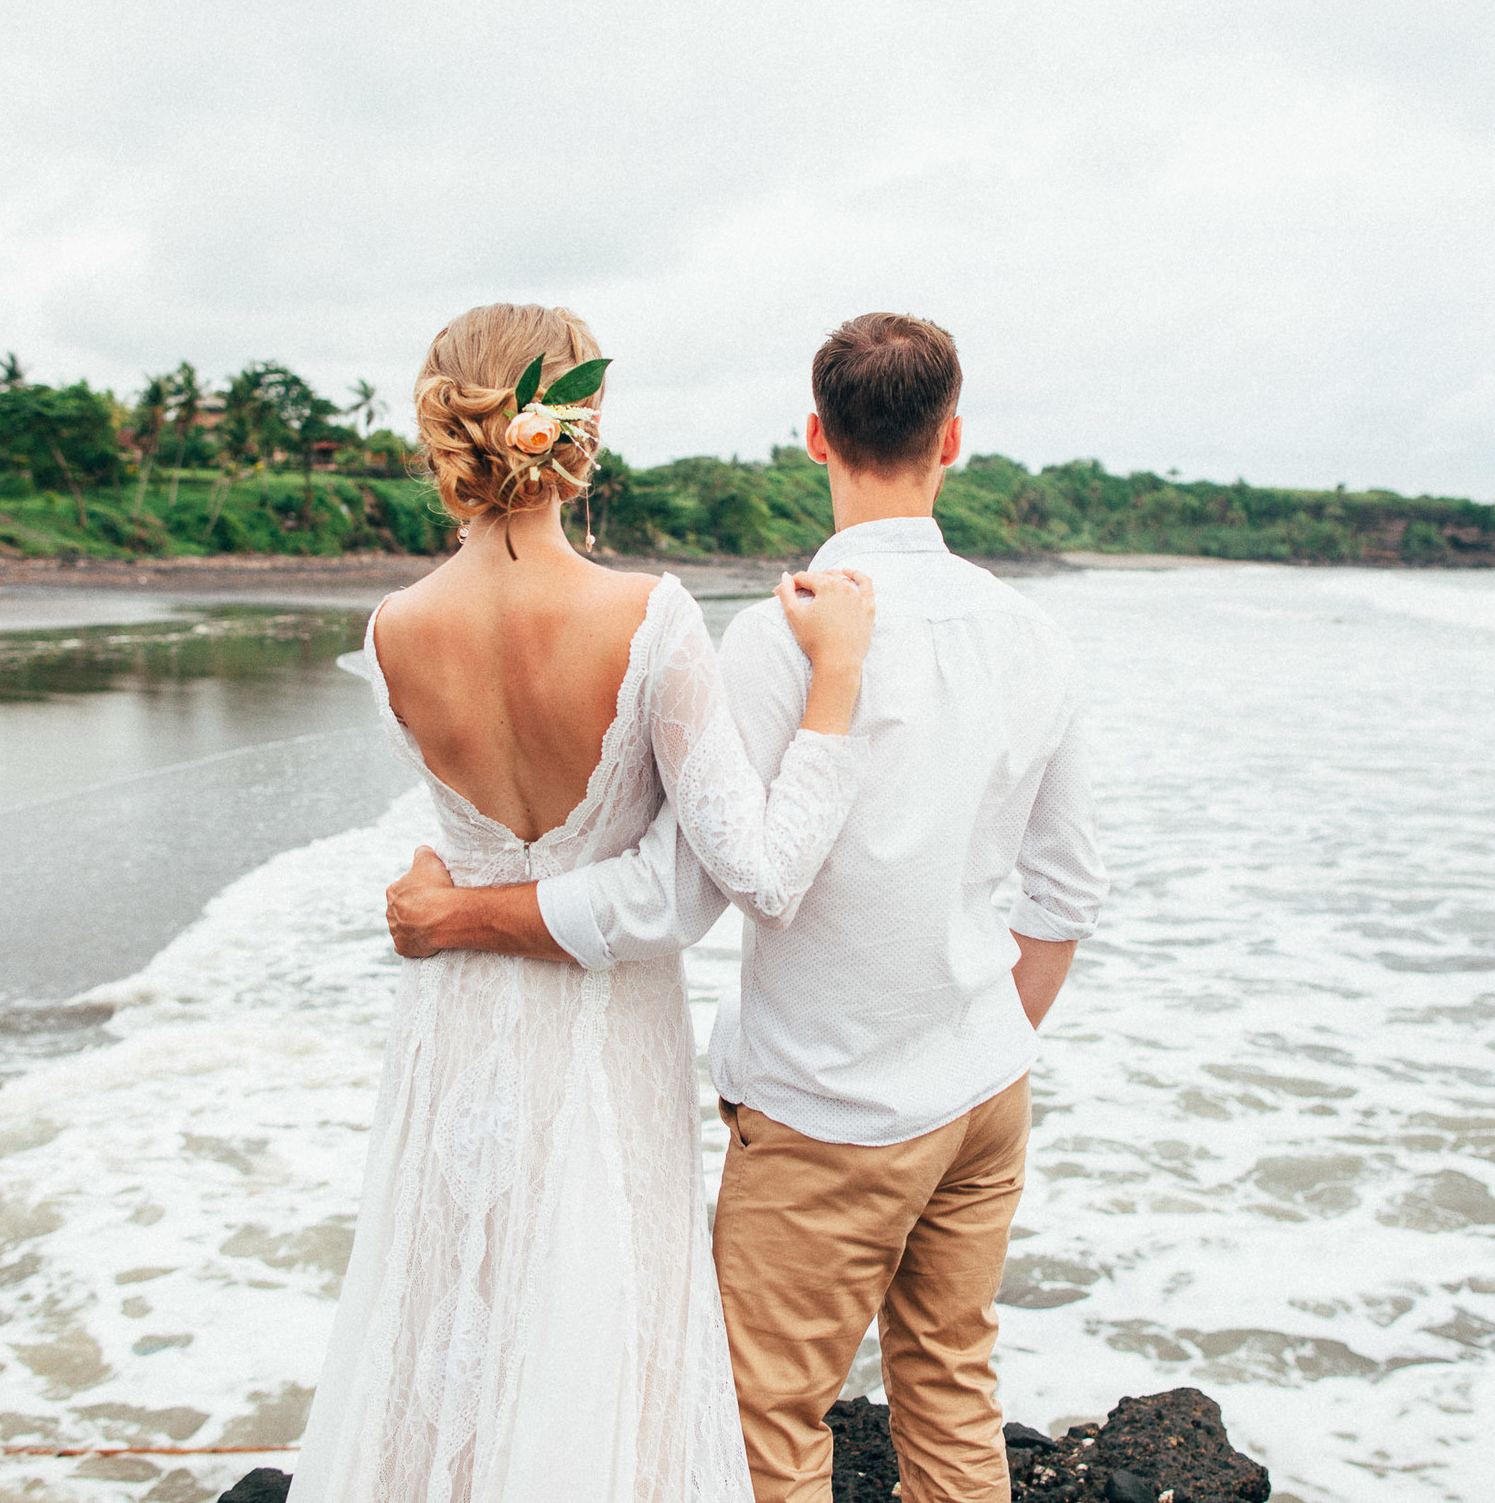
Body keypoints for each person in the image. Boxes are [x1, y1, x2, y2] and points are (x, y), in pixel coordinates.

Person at [387, 311, 1108, 1503]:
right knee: (950, 1385)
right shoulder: (1032, 635)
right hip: (985, 1089)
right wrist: (982, 1040)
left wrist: (461, 914)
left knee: (760, 1422)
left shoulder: (781, 640)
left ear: (815, 436)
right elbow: (1069, 891)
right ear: (955, 439)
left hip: (830, 1104)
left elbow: (697, 884)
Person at [293, 303, 878, 1503]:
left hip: (451, 1024)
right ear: (581, 428)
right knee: (595, 1322)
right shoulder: (647, 617)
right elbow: (756, 871)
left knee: (450, 1316)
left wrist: (441, 900)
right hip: (600, 1034)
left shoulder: (394, 631)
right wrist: (838, 690)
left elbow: (462, 833)